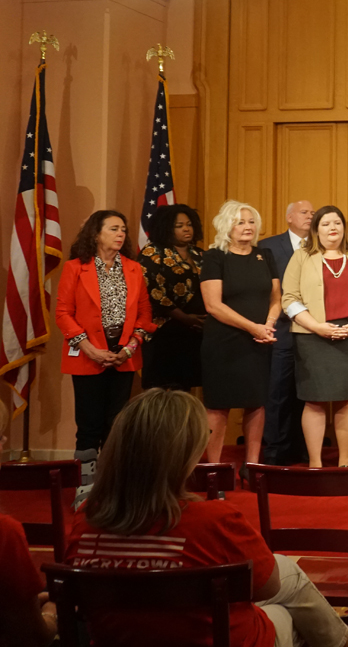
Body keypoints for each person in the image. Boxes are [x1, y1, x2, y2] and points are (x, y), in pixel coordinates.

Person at [64, 388, 348, 647]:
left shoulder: (84, 522)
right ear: (182, 456)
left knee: (284, 571)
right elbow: (267, 586)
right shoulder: (211, 520)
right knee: (289, 610)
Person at [56, 210, 154, 506]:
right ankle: (85, 485)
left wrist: (130, 348)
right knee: (89, 424)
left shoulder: (134, 268)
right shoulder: (75, 268)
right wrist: (88, 348)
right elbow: (63, 313)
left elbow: (145, 314)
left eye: (123, 229)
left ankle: (113, 485)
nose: (121, 234)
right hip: (88, 356)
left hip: (123, 357)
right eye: (113, 229)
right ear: (96, 234)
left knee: (116, 425)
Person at [281, 205, 348, 469]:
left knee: (345, 399)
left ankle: (344, 461)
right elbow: (288, 298)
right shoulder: (302, 257)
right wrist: (316, 326)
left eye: (336, 223)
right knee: (314, 400)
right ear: (316, 230)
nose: (332, 228)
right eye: (325, 224)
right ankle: (315, 463)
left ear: (343, 228)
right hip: (312, 337)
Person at [200, 201, 280, 477]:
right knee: (219, 405)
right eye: (240, 222)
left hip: (259, 342)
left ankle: (252, 466)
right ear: (226, 227)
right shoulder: (214, 257)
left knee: (256, 403)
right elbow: (213, 305)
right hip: (224, 343)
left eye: (251, 221)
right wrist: (253, 328)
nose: (247, 227)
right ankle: (214, 470)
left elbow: (276, 298)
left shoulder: (265, 255)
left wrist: (268, 326)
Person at [258, 200, 314, 466]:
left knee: (306, 391)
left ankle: (302, 446)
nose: (311, 216)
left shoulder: (320, 243)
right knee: (278, 391)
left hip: (313, 329)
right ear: (289, 217)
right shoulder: (268, 246)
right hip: (280, 328)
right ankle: (275, 448)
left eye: (313, 213)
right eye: (305, 212)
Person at [0, 411, 58, 646]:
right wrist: (51, 611)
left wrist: (32, 600)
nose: (4, 441)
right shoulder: (5, 532)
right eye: (0, 435)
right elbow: (31, 636)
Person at [138, 203, 206, 391]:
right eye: (179, 225)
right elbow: (152, 291)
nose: (186, 229)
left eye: (189, 224)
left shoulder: (200, 254)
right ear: (166, 227)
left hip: (195, 333)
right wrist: (184, 318)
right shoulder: (153, 253)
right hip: (165, 333)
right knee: (162, 390)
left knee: (185, 389)